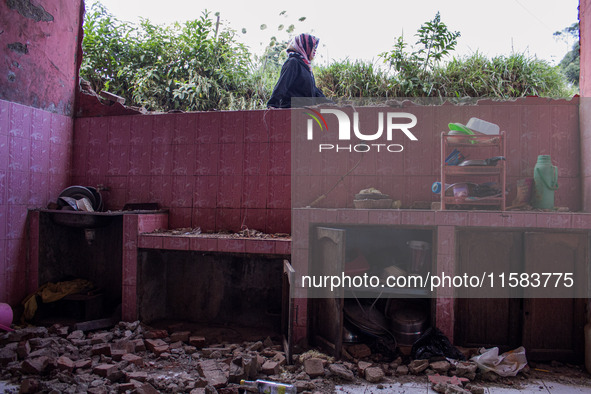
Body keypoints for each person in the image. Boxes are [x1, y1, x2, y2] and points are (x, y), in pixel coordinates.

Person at [267, 33, 329, 108]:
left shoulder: (306, 67)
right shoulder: (293, 62)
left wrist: (333, 104)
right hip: (292, 112)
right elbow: (282, 84)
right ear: (305, 46)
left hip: (304, 112)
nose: (315, 50)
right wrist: (272, 105)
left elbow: (315, 92)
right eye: (312, 46)